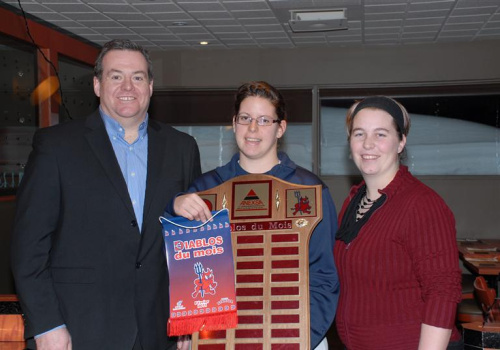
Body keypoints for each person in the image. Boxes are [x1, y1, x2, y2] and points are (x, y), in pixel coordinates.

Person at [10, 39, 202, 350]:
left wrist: (190, 320)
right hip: (79, 329)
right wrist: (46, 325)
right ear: (98, 85)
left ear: (151, 86)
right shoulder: (56, 146)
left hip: (159, 331)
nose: (128, 86)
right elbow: (28, 247)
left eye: (138, 77)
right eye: (116, 76)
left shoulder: (181, 148)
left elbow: (191, 243)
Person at [165, 81, 340, 350]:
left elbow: (323, 278)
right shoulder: (204, 191)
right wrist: (172, 207)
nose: (253, 129)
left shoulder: (310, 191)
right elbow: (183, 269)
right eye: (245, 118)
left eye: (264, 120)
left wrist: (298, 339)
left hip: (295, 339)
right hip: (219, 341)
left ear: (281, 127)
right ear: (234, 123)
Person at [334, 96, 463, 350]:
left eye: (380, 134)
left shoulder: (422, 204)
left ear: (401, 142)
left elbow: (442, 292)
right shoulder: (353, 201)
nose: (368, 144)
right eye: (359, 134)